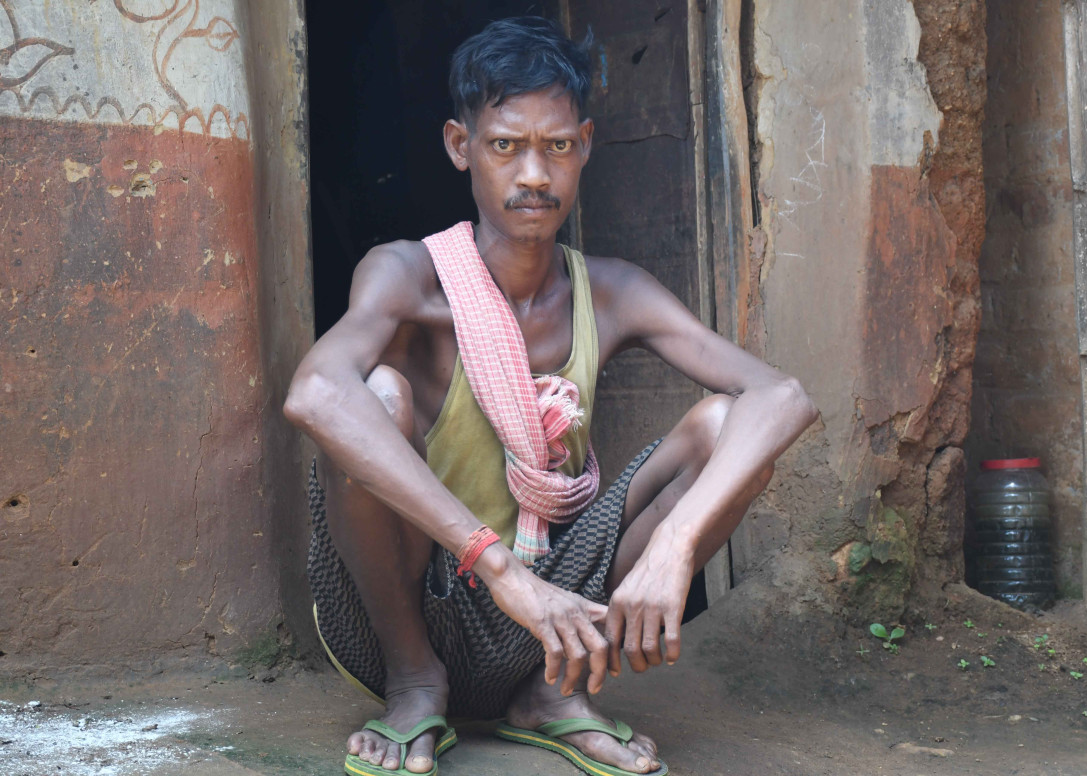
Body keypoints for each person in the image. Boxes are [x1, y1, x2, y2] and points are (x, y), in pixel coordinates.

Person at [284, 16, 817, 776]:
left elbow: (782, 397)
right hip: (412, 613)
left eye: (558, 147)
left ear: (586, 146)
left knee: (729, 425)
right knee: (375, 396)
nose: (534, 174)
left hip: (558, 621)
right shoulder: (407, 276)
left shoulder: (613, 291)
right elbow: (313, 394)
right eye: (506, 146)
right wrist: (500, 571)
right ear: (460, 146)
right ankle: (414, 685)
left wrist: (676, 545)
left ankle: (552, 694)